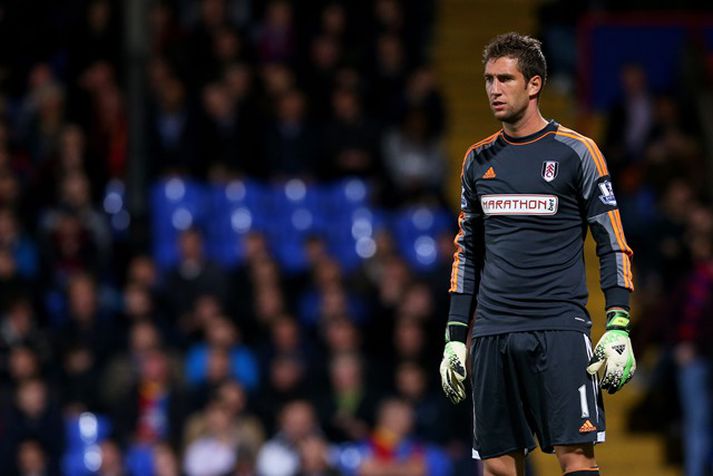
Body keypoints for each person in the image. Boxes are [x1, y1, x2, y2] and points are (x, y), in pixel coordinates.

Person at [439, 32, 636, 476]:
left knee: (576, 460)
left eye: (505, 78)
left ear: (534, 84)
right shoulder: (477, 160)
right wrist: (455, 336)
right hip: (491, 331)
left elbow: (613, 241)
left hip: (559, 329)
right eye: (488, 79)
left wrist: (619, 323)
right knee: (496, 467)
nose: (493, 89)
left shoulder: (578, 152)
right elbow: (466, 251)